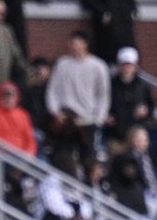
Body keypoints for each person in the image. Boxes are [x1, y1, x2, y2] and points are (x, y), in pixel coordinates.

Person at [45, 30, 111, 171]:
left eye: (77, 43)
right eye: (72, 43)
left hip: (87, 120)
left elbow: (103, 95)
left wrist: (99, 118)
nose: (74, 47)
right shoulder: (62, 64)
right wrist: (55, 111)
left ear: (85, 44)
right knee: (63, 157)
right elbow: (52, 90)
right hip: (65, 118)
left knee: (89, 159)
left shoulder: (98, 66)